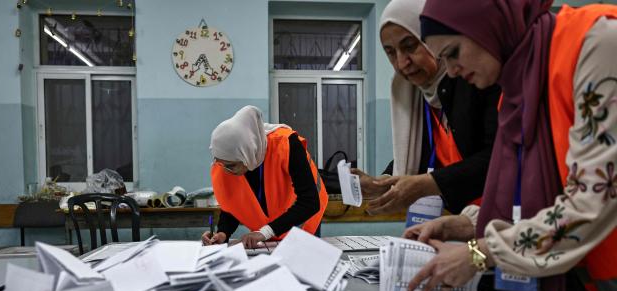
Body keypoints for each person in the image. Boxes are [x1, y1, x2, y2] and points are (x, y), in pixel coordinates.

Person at [406, 0, 617, 291]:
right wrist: (461, 224)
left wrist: (479, 253)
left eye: (453, 52)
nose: (452, 71)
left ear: (487, 25)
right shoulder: (519, 90)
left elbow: (593, 200)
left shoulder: (596, 45)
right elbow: (528, 203)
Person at [354, 0, 500, 216]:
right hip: (460, 217)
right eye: (391, 53)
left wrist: (427, 183)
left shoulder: (475, 79)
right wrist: (380, 183)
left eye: (410, 45)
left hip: (503, 217)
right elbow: (418, 159)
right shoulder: (416, 94)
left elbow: (497, 159)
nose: (402, 63)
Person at [202, 106, 328, 249]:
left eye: (231, 166)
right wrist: (223, 233)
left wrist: (264, 232)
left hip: (302, 222)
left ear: (247, 153)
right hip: (267, 231)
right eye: (221, 164)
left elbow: (309, 202)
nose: (226, 171)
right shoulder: (228, 162)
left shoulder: (287, 144)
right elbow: (233, 204)